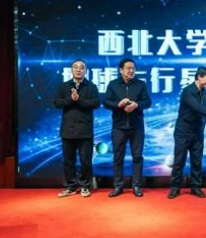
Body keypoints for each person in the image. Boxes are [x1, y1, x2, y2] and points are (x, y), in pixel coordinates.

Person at [168, 67, 206, 199]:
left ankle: (196, 188)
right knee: (179, 161)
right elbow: (197, 108)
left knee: (197, 161)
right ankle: (175, 188)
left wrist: (202, 128)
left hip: (197, 133)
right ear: (199, 77)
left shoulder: (205, 94)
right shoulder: (188, 91)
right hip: (183, 132)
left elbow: (203, 114)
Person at [103, 58, 152, 197]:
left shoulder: (141, 84)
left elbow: (148, 102)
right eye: (128, 68)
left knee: (137, 157)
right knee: (118, 157)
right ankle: (118, 186)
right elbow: (106, 102)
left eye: (133, 68)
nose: (131, 71)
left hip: (137, 126)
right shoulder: (113, 84)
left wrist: (137, 105)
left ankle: (136, 186)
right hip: (119, 126)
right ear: (121, 70)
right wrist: (118, 104)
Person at [54, 59, 101, 198]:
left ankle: (85, 185)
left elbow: (95, 103)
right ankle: (71, 186)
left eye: (81, 67)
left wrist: (79, 100)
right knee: (68, 161)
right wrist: (71, 99)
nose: (78, 70)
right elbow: (57, 103)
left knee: (86, 161)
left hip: (85, 130)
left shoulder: (91, 86)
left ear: (85, 71)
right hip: (67, 130)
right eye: (75, 67)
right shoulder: (64, 86)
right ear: (71, 70)